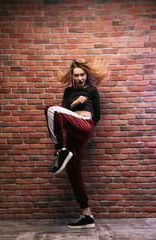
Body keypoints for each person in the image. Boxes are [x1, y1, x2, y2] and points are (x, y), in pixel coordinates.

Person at [45, 57, 108, 229]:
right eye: (77, 76)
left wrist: (86, 127)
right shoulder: (68, 92)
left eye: (83, 75)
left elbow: (98, 116)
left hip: (85, 126)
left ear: (86, 75)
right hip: (72, 130)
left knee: (50, 109)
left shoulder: (92, 90)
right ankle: (86, 216)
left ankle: (59, 151)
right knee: (73, 171)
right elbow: (63, 113)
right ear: (72, 77)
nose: (80, 78)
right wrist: (73, 104)